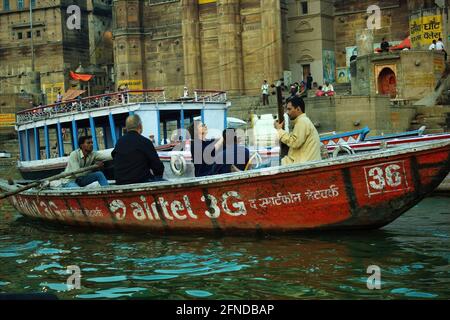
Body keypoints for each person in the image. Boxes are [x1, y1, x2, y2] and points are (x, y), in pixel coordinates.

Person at [112, 115, 164, 185]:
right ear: (140, 126)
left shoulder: (119, 142)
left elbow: (114, 156)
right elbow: (158, 167)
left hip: (120, 182)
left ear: (127, 128)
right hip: (141, 182)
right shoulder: (145, 142)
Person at [273, 95, 321, 165]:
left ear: (298, 109)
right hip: (301, 163)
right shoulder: (302, 121)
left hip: (301, 165)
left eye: (289, 109)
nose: (287, 112)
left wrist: (279, 130)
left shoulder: (302, 121)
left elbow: (294, 142)